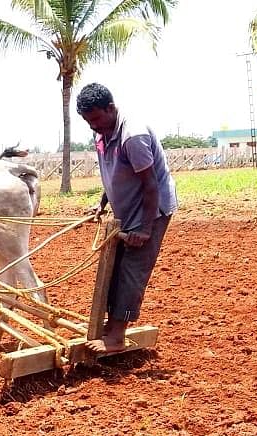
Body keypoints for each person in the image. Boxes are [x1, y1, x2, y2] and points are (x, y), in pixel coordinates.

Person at [76, 83, 177, 354]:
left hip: (150, 210)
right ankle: (112, 326)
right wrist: (101, 203)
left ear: (111, 108)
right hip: (126, 208)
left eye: (96, 119)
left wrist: (144, 229)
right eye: (88, 122)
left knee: (131, 269)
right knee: (114, 266)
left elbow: (151, 183)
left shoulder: (132, 135)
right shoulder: (103, 134)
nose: (92, 126)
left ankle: (116, 337)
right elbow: (112, 174)